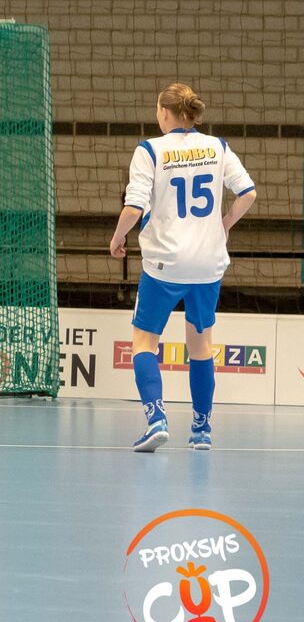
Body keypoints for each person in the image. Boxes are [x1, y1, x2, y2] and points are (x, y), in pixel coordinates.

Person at [109, 82, 256, 453]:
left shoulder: (149, 150)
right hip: (208, 263)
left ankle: (157, 419)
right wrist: (226, 222)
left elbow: (134, 206)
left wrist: (117, 238)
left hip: (165, 263)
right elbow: (248, 192)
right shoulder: (217, 147)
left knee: (144, 341)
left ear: (164, 112)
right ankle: (201, 429)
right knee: (201, 346)